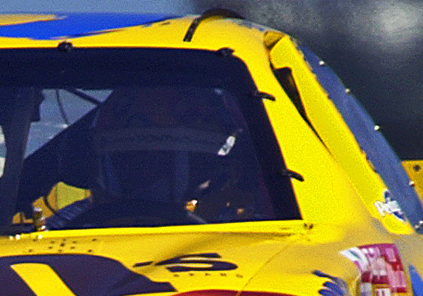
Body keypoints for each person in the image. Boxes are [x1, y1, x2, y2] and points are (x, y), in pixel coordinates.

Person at [50, 85, 269, 228]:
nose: (148, 177)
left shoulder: (249, 234)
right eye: (135, 163)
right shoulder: (61, 230)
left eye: (160, 164)